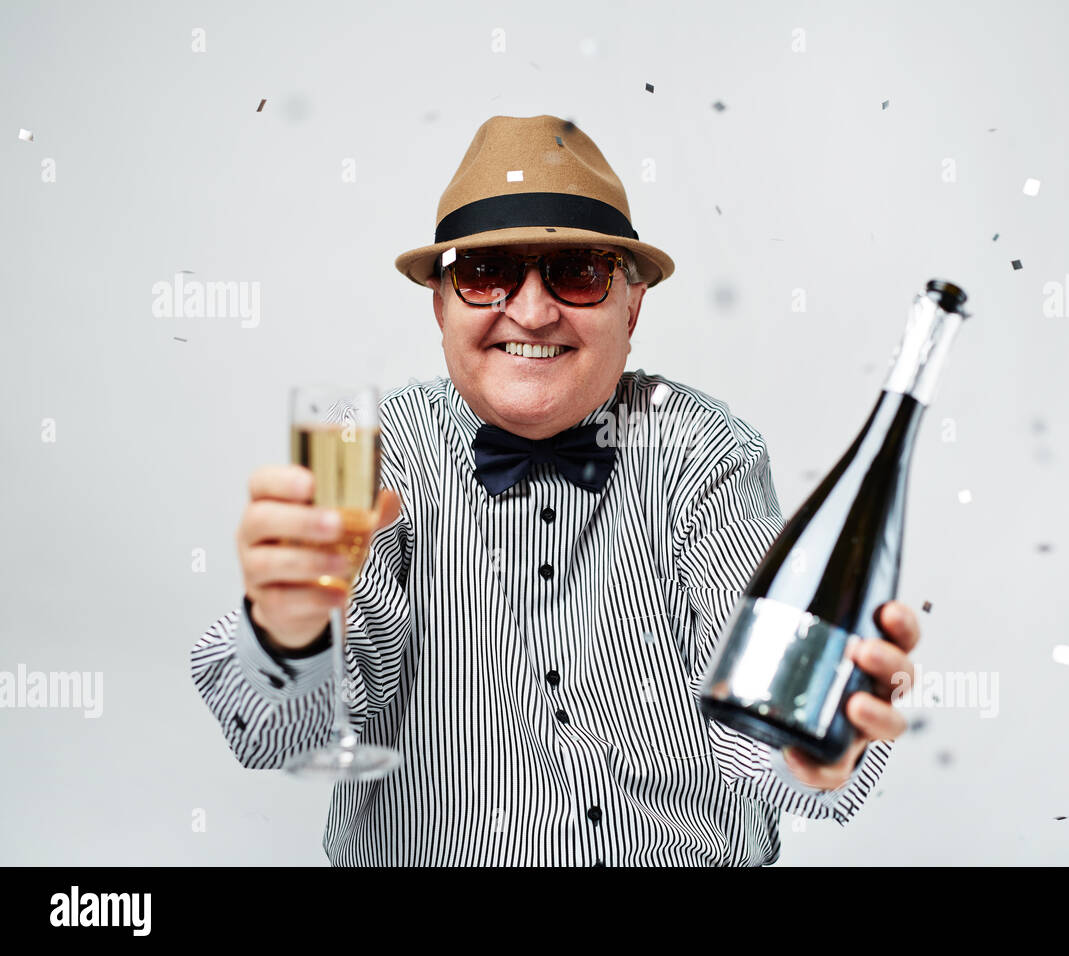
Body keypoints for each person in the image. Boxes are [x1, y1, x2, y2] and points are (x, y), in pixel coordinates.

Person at [190, 114, 922, 866]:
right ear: (441, 306)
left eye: (576, 271)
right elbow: (287, 734)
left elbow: (759, 718)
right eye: (485, 274)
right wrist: (287, 633)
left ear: (630, 308)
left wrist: (812, 742)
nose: (533, 310)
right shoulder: (368, 453)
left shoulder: (702, 450)